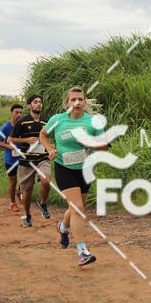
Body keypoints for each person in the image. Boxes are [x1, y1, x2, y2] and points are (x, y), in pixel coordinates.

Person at [39, 86, 108, 266]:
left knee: (76, 207)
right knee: (77, 207)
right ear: (67, 103)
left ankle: (63, 227)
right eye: (73, 99)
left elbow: (104, 147)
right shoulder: (58, 120)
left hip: (84, 169)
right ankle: (82, 251)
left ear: (84, 102)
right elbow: (43, 135)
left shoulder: (92, 122)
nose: (77, 102)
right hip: (64, 167)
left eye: (80, 99)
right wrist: (50, 149)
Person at [8, 94, 51, 227]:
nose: (39, 104)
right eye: (35, 102)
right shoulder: (22, 122)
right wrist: (25, 140)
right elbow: (10, 140)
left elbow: (48, 138)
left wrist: (51, 147)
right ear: (29, 106)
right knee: (28, 190)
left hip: (42, 158)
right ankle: (27, 215)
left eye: (40, 102)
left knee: (46, 181)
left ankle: (42, 203)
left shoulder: (46, 121)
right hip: (27, 161)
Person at [0, 103, 23, 212]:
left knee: (24, 180)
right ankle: (13, 203)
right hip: (10, 160)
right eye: (17, 112)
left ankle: (19, 192)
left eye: (21, 112)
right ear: (11, 113)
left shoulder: (23, 125)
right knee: (13, 182)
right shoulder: (6, 127)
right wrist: (9, 147)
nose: (19, 114)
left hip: (21, 157)